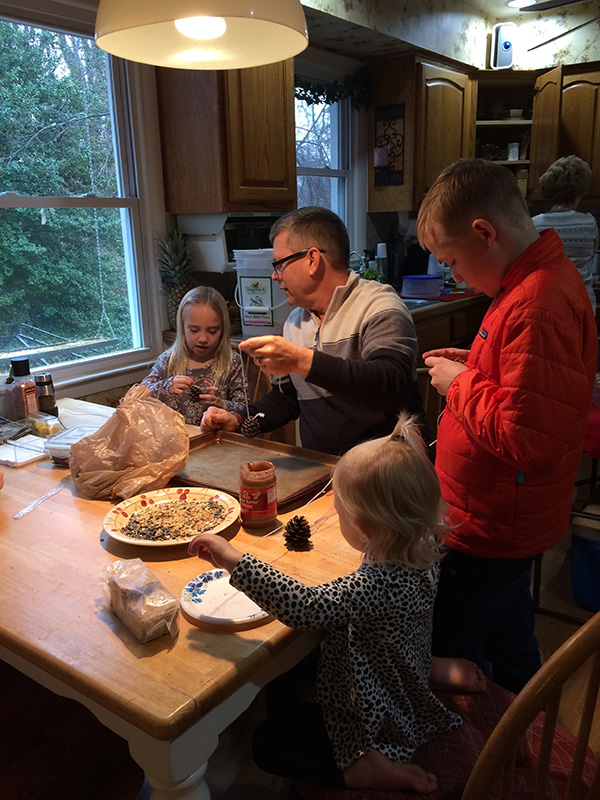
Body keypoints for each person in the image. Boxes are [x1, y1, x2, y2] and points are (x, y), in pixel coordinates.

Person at [189, 413, 463, 793]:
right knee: (300, 672)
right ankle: (421, 670)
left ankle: (363, 765)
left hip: (373, 706)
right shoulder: (423, 549)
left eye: (340, 515)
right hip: (399, 656)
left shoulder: (376, 584)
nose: (338, 519)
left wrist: (232, 559)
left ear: (366, 529)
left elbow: (305, 607)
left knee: (267, 744)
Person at [418, 158, 597, 693]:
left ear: (484, 234)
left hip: (494, 523)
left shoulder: (536, 302)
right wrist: (474, 365)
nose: (454, 275)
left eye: (452, 261)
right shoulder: (525, 285)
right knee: (511, 641)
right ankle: (529, 744)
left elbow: (526, 439)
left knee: (448, 648)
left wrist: (459, 385)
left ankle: (460, 767)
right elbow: (525, 388)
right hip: (502, 519)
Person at [201, 206, 426, 456]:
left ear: (312, 259)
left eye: (279, 264)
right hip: (324, 468)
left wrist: (301, 360)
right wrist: (238, 418)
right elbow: (286, 399)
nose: (275, 276)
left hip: (387, 472)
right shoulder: (295, 322)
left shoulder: (378, 305)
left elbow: (390, 383)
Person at [141, 286, 246, 425]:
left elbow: (245, 407)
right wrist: (167, 386)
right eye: (194, 330)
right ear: (182, 327)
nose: (203, 338)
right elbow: (141, 393)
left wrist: (223, 404)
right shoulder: (169, 360)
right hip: (175, 439)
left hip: (215, 439)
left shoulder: (231, 362)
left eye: (212, 331)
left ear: (223, 329)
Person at [532, 155, 598, 314]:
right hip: (583, 303)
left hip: (548, 302)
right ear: (580, 191)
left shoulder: (535, 224)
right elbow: (592, 255)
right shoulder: (589, 223)